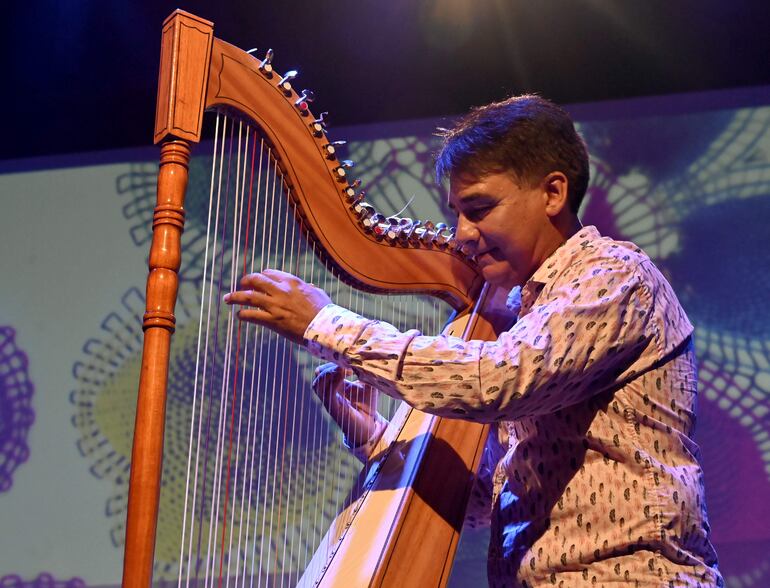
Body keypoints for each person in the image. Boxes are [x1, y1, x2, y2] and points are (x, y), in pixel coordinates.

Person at [224, 95, 723, 587]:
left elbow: (495, 380)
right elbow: (491, 504)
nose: (461, 234)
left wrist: (325, 323)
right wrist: (374, 436)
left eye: (480, 208)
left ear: (553, 193)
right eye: (458, 212)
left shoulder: (615, 276)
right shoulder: (527, 311)